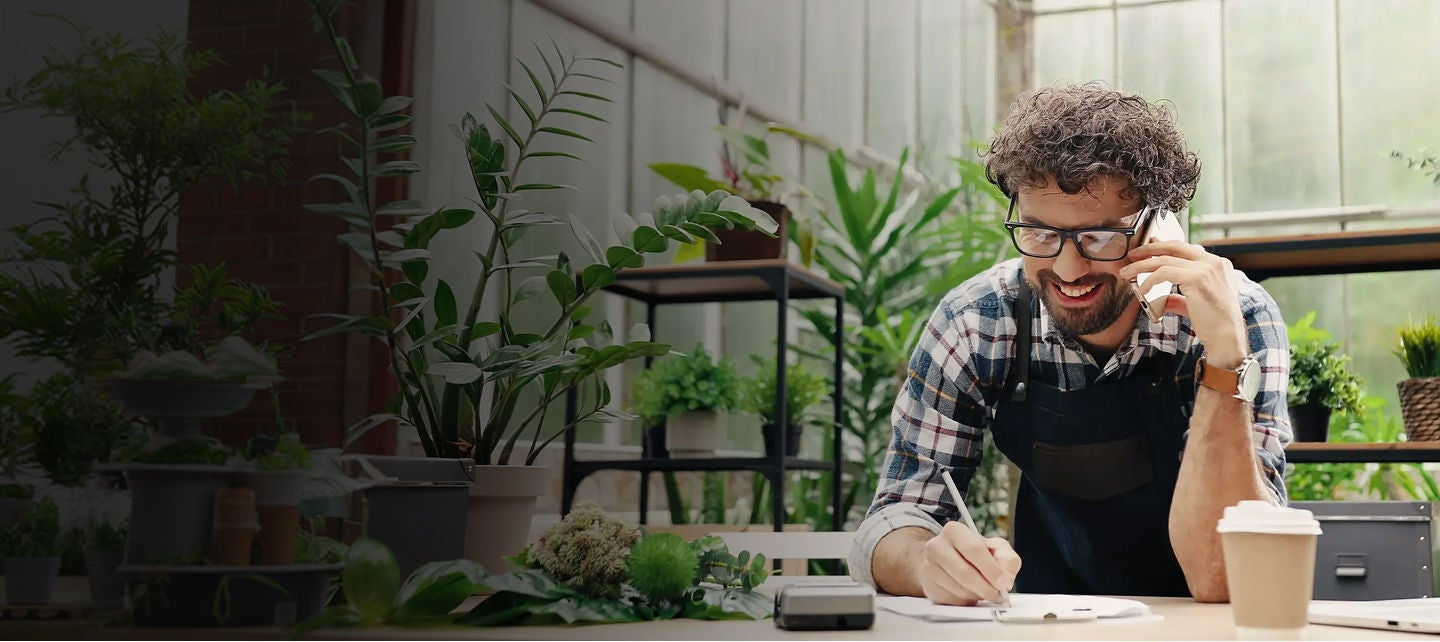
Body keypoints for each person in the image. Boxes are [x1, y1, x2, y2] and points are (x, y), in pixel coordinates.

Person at [847, 83, 1291, 604]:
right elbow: (894, 517)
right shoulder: (977, 322)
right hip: (1049, 621)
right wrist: (927, 562)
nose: (1067, 267)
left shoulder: (1237, 319)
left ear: (1161, 226)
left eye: (1100, 237)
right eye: (1039, 234)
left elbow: (1227, 575)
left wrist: (1224, 363)